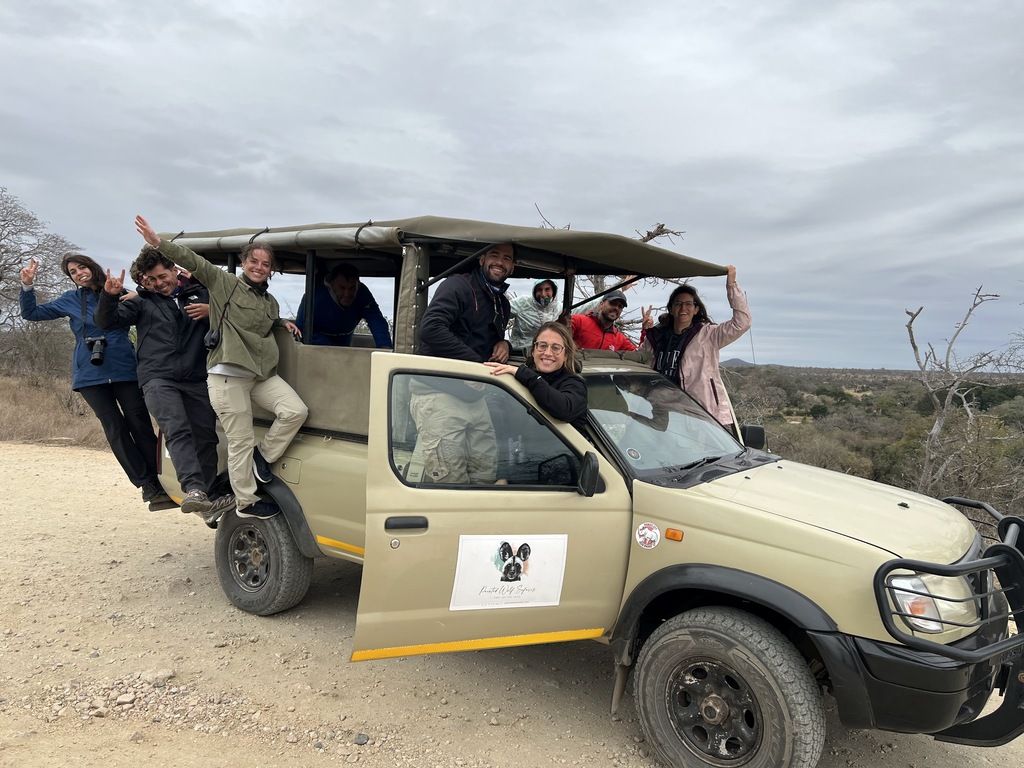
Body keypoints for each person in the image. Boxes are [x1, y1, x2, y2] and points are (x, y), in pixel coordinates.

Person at [135, 215, 308, 520]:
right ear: (244, 263)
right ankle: (246, 501)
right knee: (239, 438)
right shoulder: (225, 284)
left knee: (295, 411)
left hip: (260, 374)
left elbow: (264, 324)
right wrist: (159, 243)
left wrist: (282, 322)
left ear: (271, 269)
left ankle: (261, 458)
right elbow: (194, 262)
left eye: (265, 263)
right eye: (253, 261)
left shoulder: (271, 302)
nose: (259, 267)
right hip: (227, 377)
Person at [95, 247, 235, 527]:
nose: (158, 283)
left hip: (195, 377)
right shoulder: (141, 303)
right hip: (157, 377)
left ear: (174, 271)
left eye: (162, 276)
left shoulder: (199, 295)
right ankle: (194, 488)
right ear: (143, 282)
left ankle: (205, 497)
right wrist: (109, 297)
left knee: (206, 436)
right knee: (176, 428)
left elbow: (235, 308)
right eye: (150, 280)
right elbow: (108, 321)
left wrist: (212, 310)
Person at [19, 254, 167, 508]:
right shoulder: (70, 299)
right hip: (89, 372)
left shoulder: (119, 291)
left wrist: (136, 294)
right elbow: (31, 313)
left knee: (139, 422)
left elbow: (146, 310)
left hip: (123, 367)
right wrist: (27, 286)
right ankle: (147, 485)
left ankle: (163, 480)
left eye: (81, 267)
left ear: (92, 267)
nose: (79, 273)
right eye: (73, 272)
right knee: (115, 428)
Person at [410, 243, 515, 484]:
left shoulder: (502, 302)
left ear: (512, 266)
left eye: (507, 258)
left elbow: (484, 338)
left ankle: (479, 523)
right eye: (494, 255)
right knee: (451, 482)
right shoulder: (456, 285)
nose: (500, 262)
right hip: (438, 392)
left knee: (485, 475)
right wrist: (476, 365)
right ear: (481, 259)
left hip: (473, 397)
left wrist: (504, 343)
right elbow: (431, 328)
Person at [640, 265, 751, 430]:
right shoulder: (657, 337)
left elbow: (742, 323)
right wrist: (645, 331)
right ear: (671, 309)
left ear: (696, 308)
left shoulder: (708, 335)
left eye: (688, 304)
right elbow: (641, 361)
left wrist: (732, 286)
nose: (683, 308)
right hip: (664, 412)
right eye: (678, 304)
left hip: (704, 414)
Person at [485, 321, 587, 430]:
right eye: (542, 346)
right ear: (533, 351)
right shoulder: (521, 378)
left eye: (556, 348)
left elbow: (564, 410)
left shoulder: (575, 384)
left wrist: (528, 376)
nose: (547, 353)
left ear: (566, 355)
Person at [295, 263, 392, 348]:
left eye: (352, 288)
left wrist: (385, 347)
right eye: (342, 288)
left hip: (345, 342)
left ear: (357, 284)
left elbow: (376, 320)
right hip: (318, 344)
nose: (347, 294)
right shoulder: (315, 295)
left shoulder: (363, 294)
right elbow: (300, 328)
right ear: (332, 284)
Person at [570, 289, 638, 352]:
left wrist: (646, 331)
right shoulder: (578, 321)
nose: (616, 308)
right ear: (601, 304)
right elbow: (561, 335)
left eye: (620, 306)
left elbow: (639, 356)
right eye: (612, 303)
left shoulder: (620, 339)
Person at [508, 279, 560, 356]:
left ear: (554, 291)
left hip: (545, 356)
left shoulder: (559, 308)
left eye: (547, 289)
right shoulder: (523, 303)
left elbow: (580, 310)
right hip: (519, 354)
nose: (543, 294)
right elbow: (500, 313)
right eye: (539, 290)